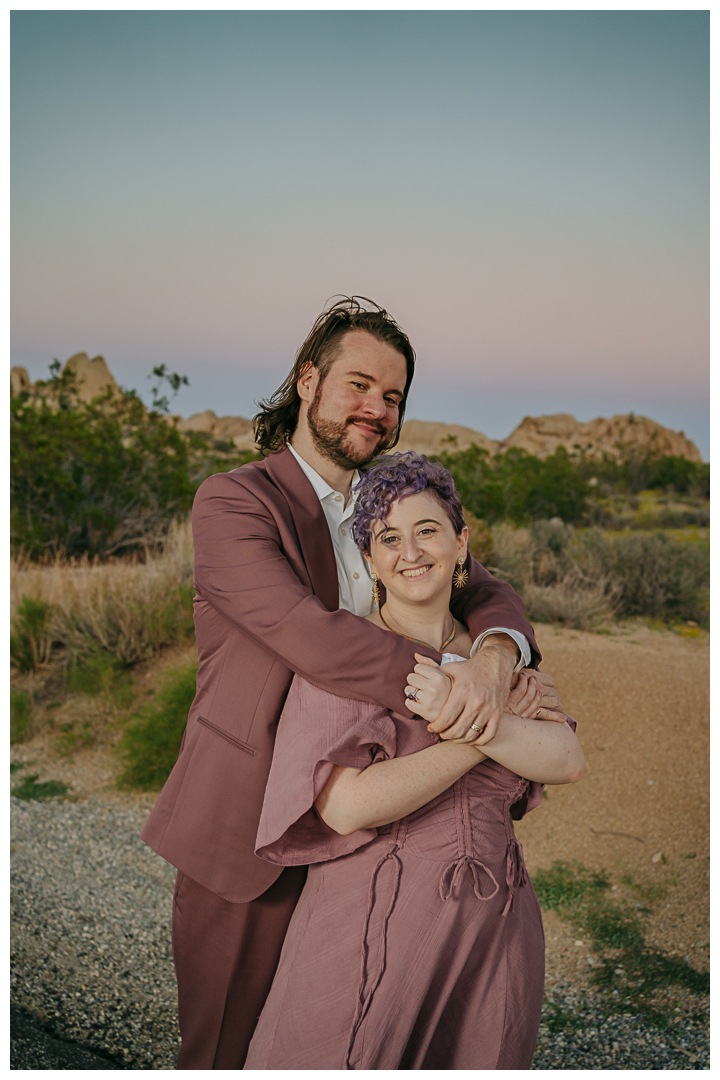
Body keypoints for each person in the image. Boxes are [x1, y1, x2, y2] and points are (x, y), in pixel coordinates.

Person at [140, 297, 558, 1069]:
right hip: (249, 829)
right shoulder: (234, 502)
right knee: (230, 1051)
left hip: (374, 841)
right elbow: (313, 638)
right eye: (359, 385)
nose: (377, 408)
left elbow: (485, 588)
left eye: (393, 396)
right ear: (308, 381)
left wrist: (497, 660)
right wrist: (456, 686)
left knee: (345, 1038)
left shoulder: (386, 507)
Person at [245, 453, 583, 1069]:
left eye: (427, 530)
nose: (411, 552)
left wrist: (481, 692)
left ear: (461, 542)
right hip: (376, 923)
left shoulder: (499, 658)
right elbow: (345, 805)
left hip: (493, 927)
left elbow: (565, 758)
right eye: (388, 538)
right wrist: (481, 730)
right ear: (369, 560)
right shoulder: (342, 658)